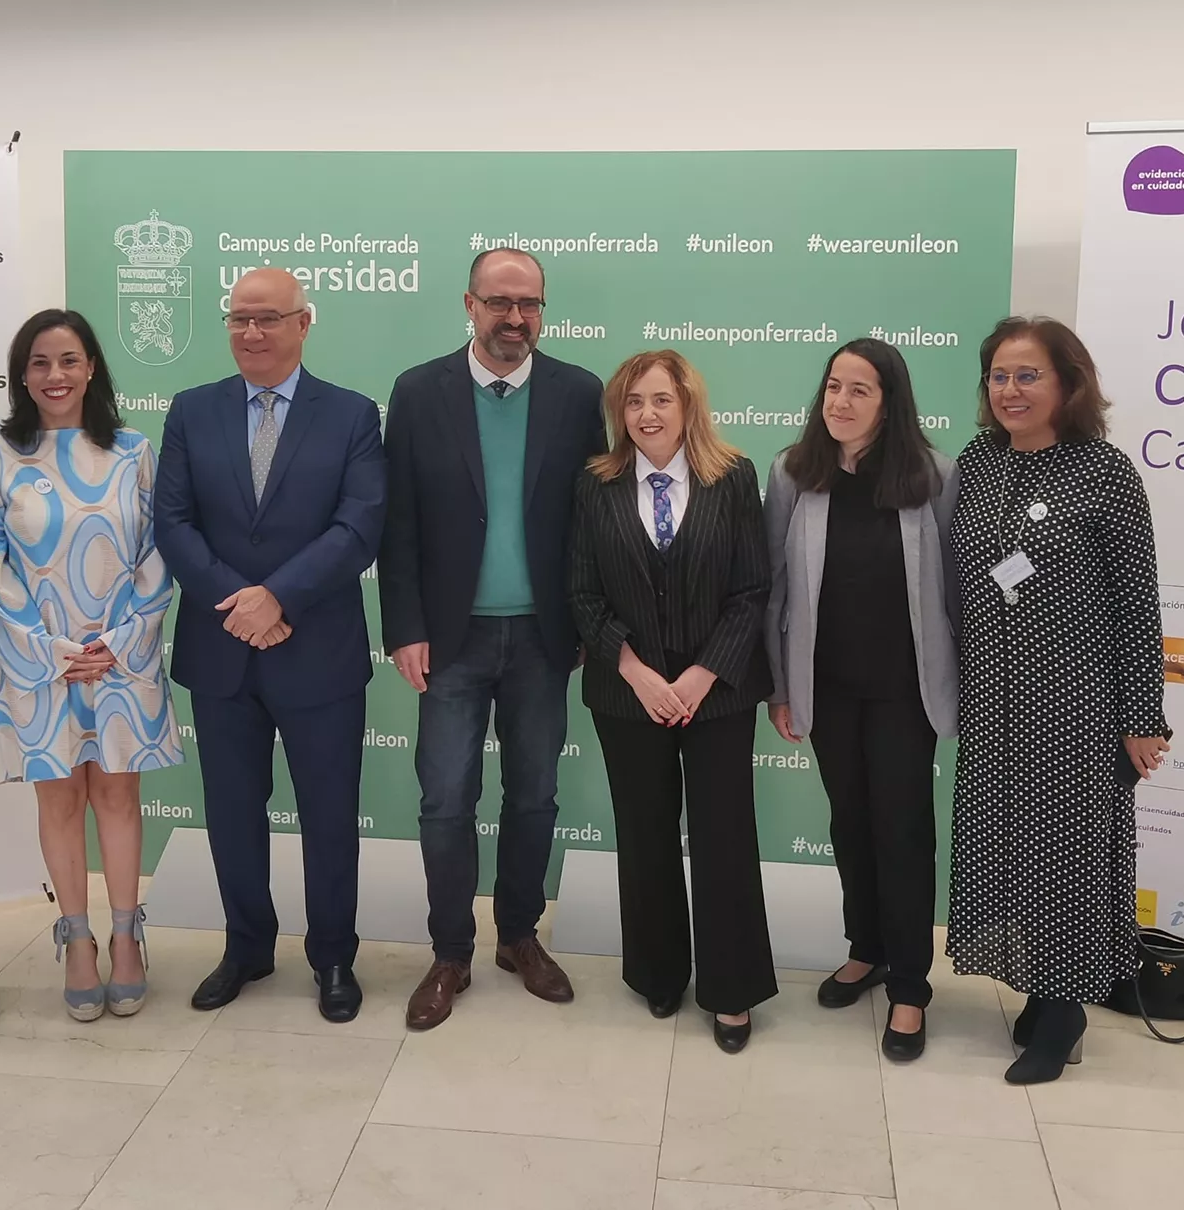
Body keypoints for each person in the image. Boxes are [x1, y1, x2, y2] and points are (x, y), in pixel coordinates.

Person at [379, 248, 605, 1030]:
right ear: (469, 304)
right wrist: (403, 627)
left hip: (543, 638)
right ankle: (450, 952)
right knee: (445, 800)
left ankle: (518, 936)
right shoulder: (418, 392)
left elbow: (590, 523)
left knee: (535, 796)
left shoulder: (579, 393)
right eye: (500, 302)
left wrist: (581, 620)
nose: (517, 319)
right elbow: (398, 520)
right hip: (450, 640)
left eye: (530, 304)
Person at [155, 268, 385, 1023]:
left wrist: (276, 598)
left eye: (267, 319)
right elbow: (174, 524)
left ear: (303, 323)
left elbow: (358, 528)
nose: (250, 332)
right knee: (231, 812)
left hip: (317, 650)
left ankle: (333, 958)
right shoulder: (192, 411)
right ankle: (248, 946)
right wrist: (240, 603)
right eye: (238, 319)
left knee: (327, 815)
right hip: (223, 652)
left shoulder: (351, 415)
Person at [948, 316, 1170, 1084]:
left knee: (1067, 855)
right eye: (999, 376)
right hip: (992, 702)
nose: (1010, 390)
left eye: (1027, 375)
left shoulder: (1104, 472)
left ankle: (1066, 1009)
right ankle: (1041, 990)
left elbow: (1138, 604)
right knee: (1007, 847)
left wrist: (1143, 718)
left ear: (1068, 383)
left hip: (1077, 704)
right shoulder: (978, 463)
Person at [0, 309, 183, 1020]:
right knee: (59, 801)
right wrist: (52, 649)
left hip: (121, 660)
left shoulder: (133, 450)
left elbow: (160, 552)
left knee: (118, 798)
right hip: (39, 664)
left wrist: (118, 642)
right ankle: (78, 940)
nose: (54, 375)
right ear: (21, 374)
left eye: (68, 360)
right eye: (38, 362)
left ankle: (128, 936)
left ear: (92, 367)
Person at [569, 349, 776, 1052]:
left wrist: (700, 676)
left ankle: (732, 991)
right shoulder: (596, 485)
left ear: (688, 406)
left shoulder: (732, 478)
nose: (647, 415)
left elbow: (751, 591)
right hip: (627, 696)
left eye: (661, 400)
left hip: (716, 697)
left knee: (723, 837)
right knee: (646, 833)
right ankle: (658, 973)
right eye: (633, 403)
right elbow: (583, 593)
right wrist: (636, 671)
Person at [763, 338, 959, 1062]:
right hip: (829, 690)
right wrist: (781, 688)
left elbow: (958, 592)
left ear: (890, 402)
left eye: (860, 391)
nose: (839, 403)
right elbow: (776, 591)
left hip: (906, 694)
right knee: (850, 823)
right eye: (833, 387)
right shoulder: (795, 472)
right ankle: (867, 947)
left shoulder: (934, 475)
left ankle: (910, 983)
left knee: (902, 831)